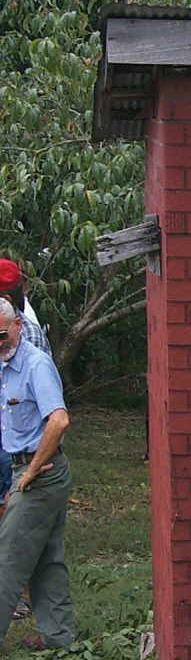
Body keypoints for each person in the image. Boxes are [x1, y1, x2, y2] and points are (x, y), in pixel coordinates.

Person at [0, 300, 73, 651]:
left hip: (41, 471)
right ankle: (58, 637)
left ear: (17, 325)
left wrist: (29, 471)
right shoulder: (5, 364)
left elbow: (59, 421)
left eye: (2, 333)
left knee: (8, 556)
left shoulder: (35, 364)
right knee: (46, 557)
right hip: (25, 467)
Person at [0, 257, 51, 622]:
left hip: (18, 444)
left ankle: (13, 598)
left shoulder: (26, 335)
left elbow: (52, 413)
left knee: (13, 523)